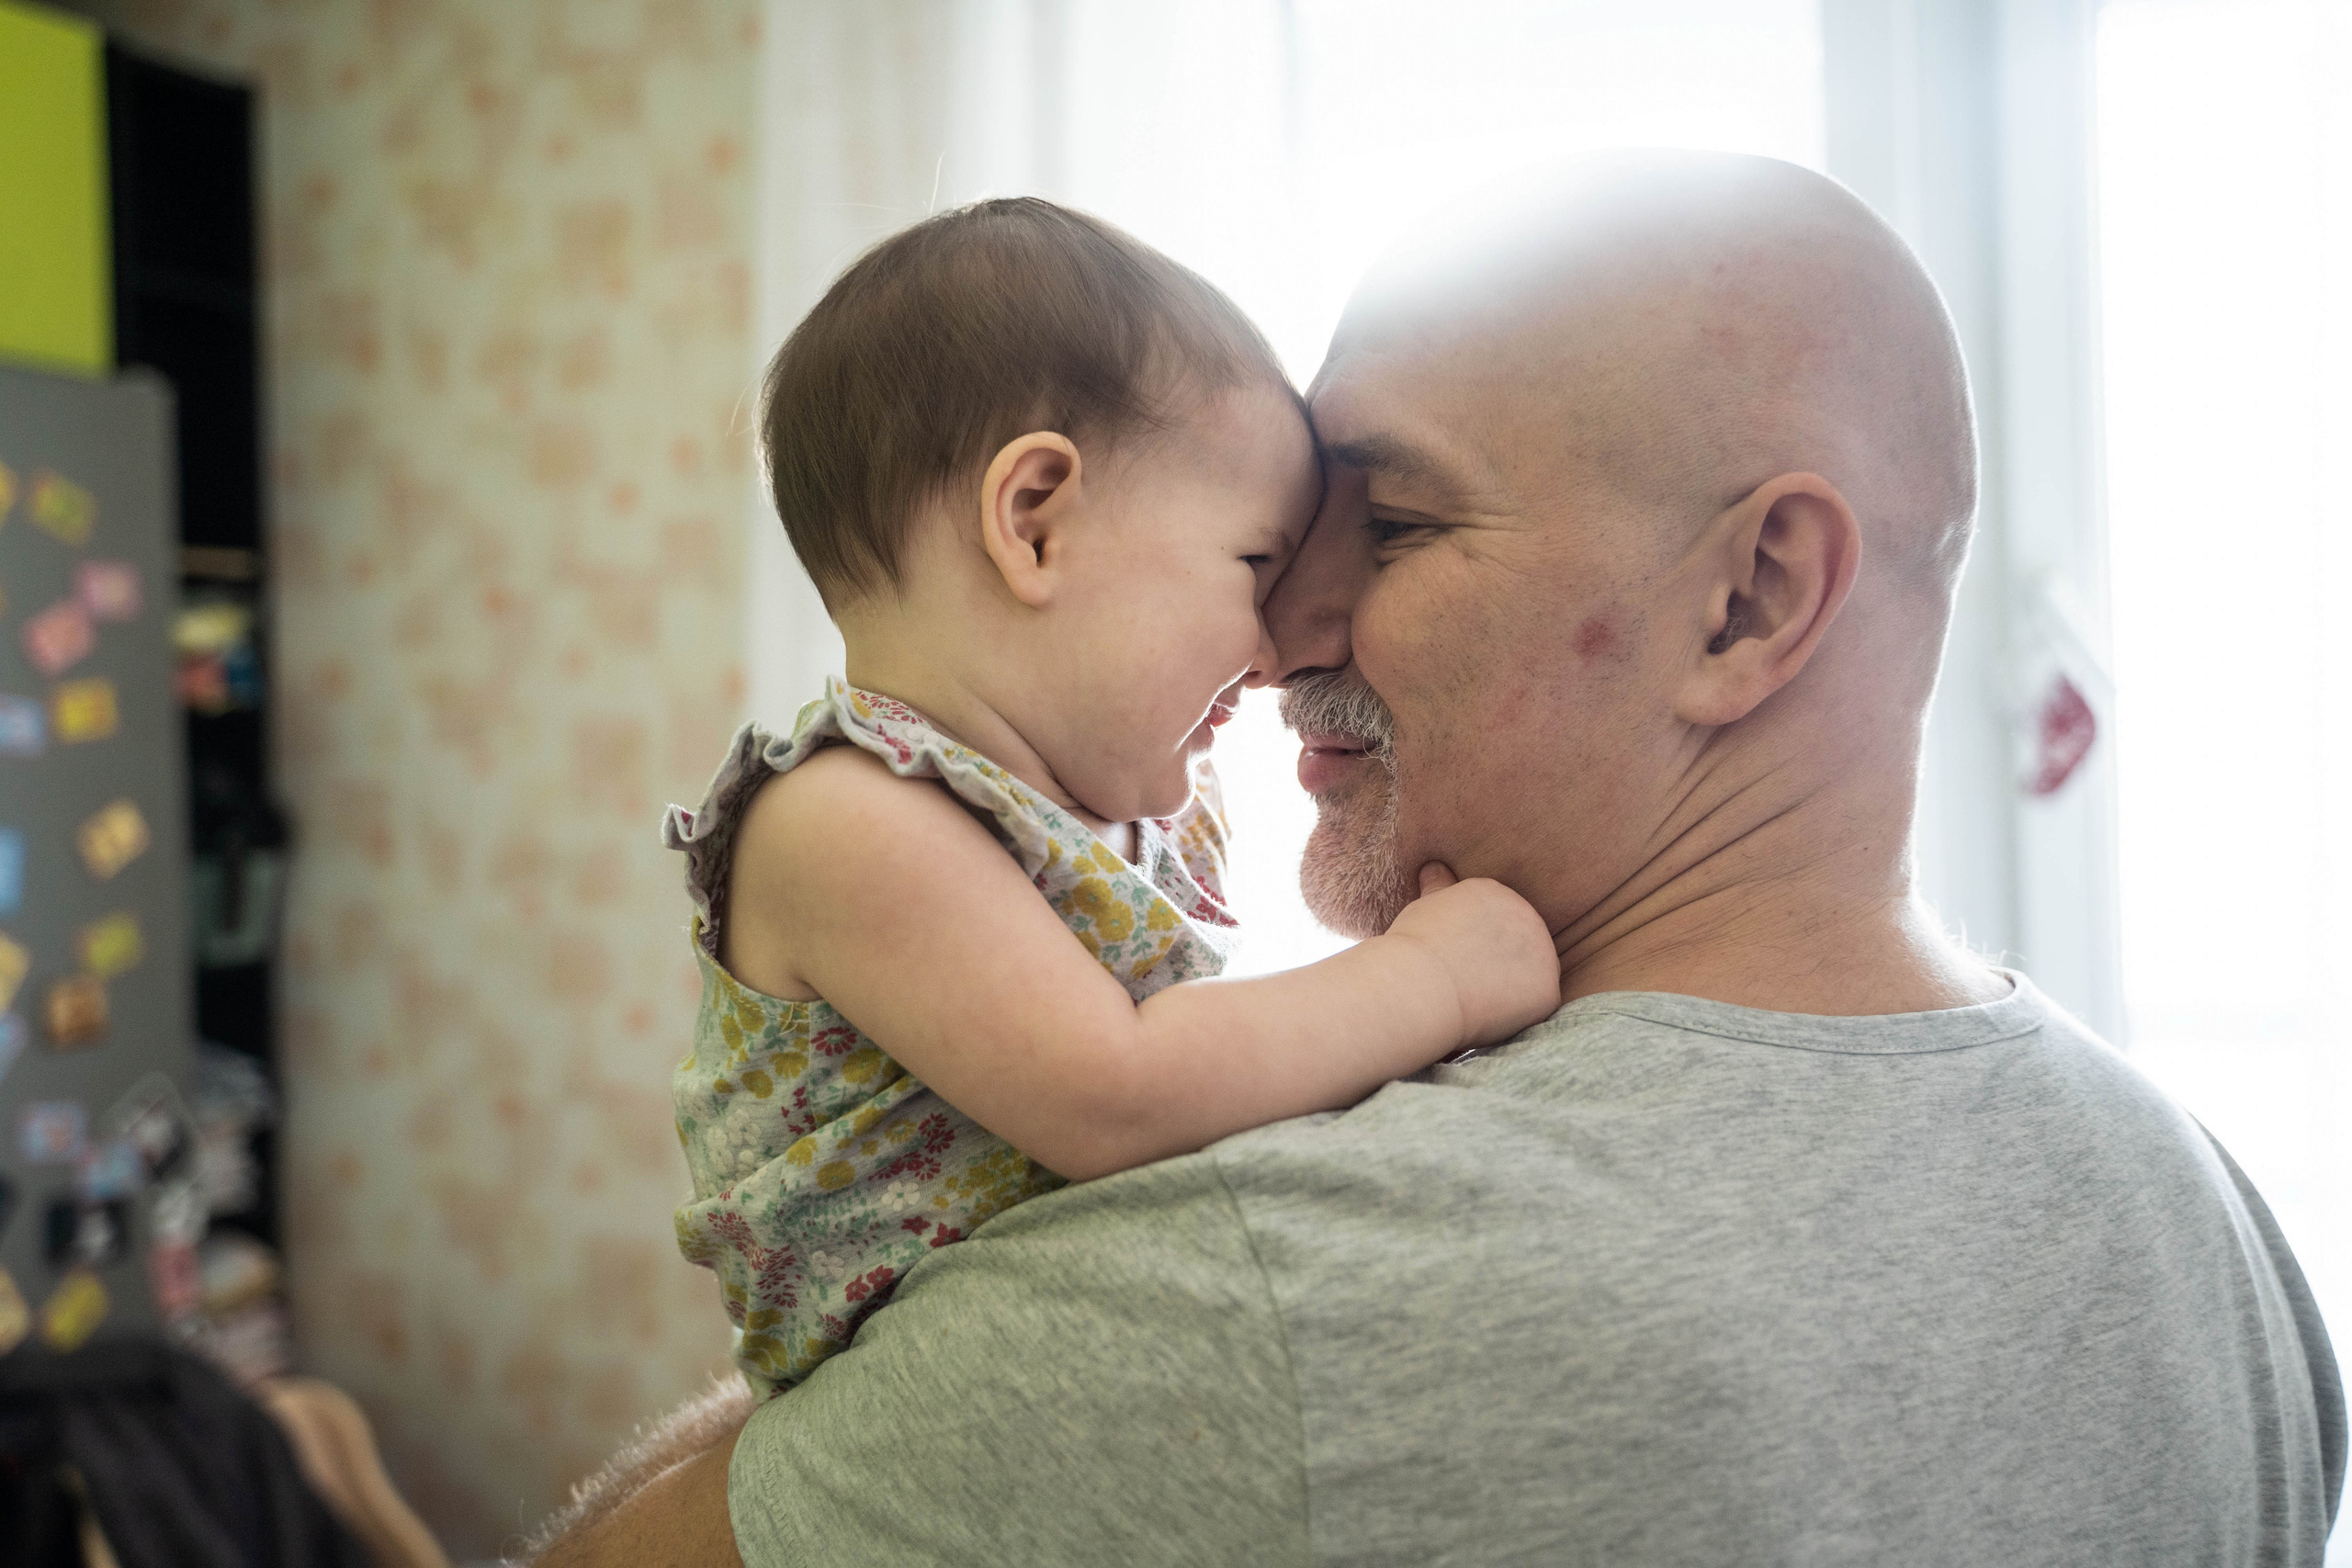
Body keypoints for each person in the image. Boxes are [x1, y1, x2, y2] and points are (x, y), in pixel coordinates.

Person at [531, 152, 2346, 1566]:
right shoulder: (2208, 1225)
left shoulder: (1285, 1278)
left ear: (1748, 597)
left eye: (1387, 517)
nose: (1287, 622)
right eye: (1277, 539)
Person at [663, 197, 1558, 1397]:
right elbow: (1121, 1095)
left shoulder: (1130, 816)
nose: (1271, 647)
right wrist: (1430, 979)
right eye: (1254, 564)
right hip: (912, 1422)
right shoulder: (845, 824)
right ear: (1034, 523)